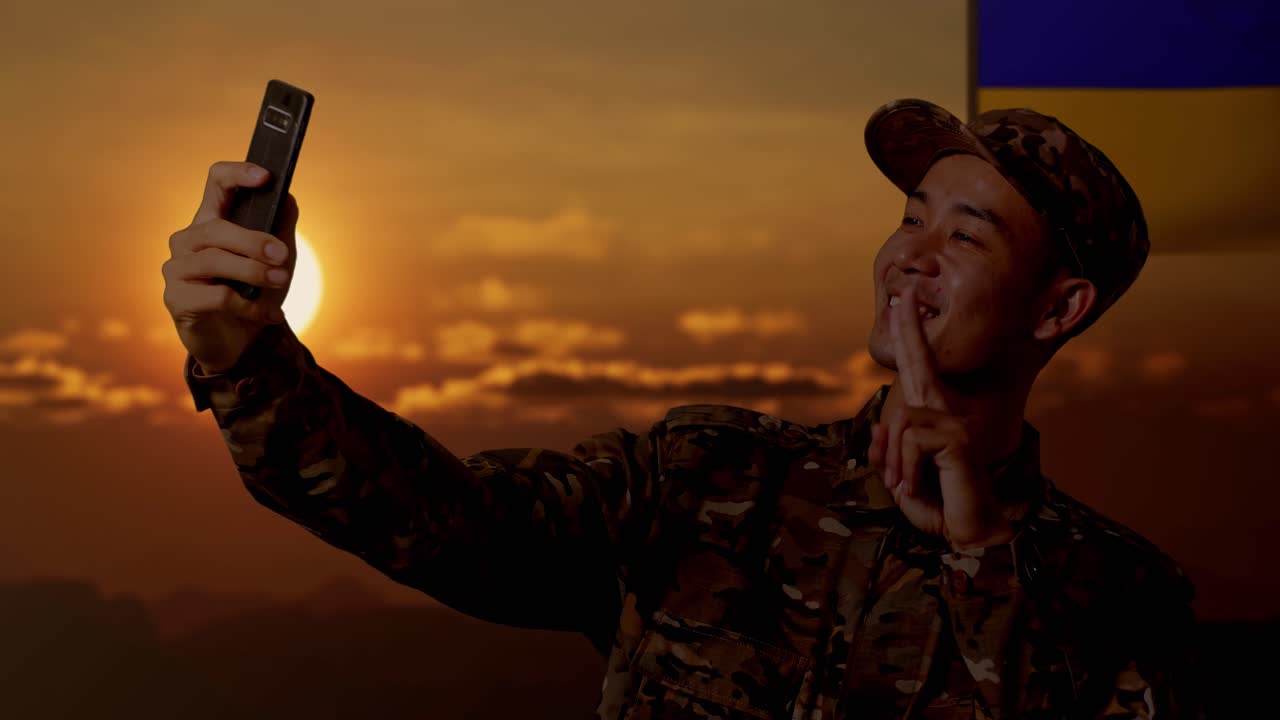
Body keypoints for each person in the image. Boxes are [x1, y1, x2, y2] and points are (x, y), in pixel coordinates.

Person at [162, 97, 1200, 719]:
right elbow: (443, 521)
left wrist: (975, 552)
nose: (905, 257)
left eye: (964, 238)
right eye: (906, 218)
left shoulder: (1116, 596)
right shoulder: (710, 476)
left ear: (1058, 308)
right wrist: (246, 356)